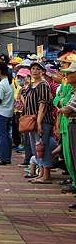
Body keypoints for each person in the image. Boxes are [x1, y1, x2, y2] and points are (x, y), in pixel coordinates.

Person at [23, 60, 55, 183]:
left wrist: (39, 122)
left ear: (42, 71)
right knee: (36, 148)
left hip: (42, 121)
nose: (35, 71)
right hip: (31, 121)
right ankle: (41, 173)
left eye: (38, 69)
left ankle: (46, 175)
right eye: (33, 69)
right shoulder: (31, 85)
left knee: (43, 146)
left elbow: (43, 104)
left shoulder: (43, 85)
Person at [55, 54, 76, 195]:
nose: (63, 70)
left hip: (71, 122)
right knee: (69, 156)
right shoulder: (65, 85)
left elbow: (66, 107)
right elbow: (57, 101)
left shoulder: (68, 86)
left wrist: (62, 106)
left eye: (65, 64)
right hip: (65, 123)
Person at [0, 62, 15, 165]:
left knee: (2, 136)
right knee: (7, 135)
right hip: (8, 112)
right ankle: (7, 157)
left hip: (1, 112)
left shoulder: (2, 84)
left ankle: (3, 158)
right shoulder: (9, 82)